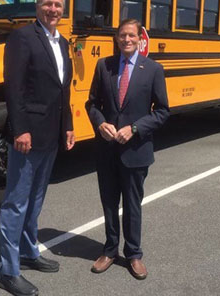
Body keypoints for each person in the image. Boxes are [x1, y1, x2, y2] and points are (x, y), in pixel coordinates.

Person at [0, 0, 75, 296]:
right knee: (16, 202)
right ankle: (8, 270)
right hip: (28, 136)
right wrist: (20, 129)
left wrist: (68, 126)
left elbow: (63, 89)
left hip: (52, 134)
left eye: (57, 5)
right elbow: (13, 87)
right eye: (48, 4)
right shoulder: (23, 37)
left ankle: (29, 252)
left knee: (36, 199)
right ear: (37, 7)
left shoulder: (63, 42)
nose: (53, 9)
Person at [86, 18, 169, 280]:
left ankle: (133, 254)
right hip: (107, 151)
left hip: (136, 151)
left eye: (132, 35)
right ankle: (109, 251)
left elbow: (163, 111)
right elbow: (92, 104)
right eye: (122, 35)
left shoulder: (153, 69)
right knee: (109, 204)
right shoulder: (104, 66)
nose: (127, 40)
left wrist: (134, 128)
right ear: (117, 39)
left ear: (140, 39)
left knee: (133, 205)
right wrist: (100, 124)